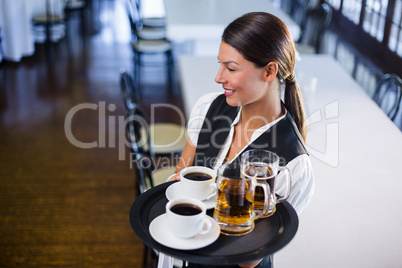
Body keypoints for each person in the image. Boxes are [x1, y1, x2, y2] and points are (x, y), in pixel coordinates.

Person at [166, 11, 314, 268]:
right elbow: (182, 176)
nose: (218, 77)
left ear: (269, 71)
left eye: (231, 68)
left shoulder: (294, 166)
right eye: (220, 64)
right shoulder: (208, 108)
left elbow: (249, 260)